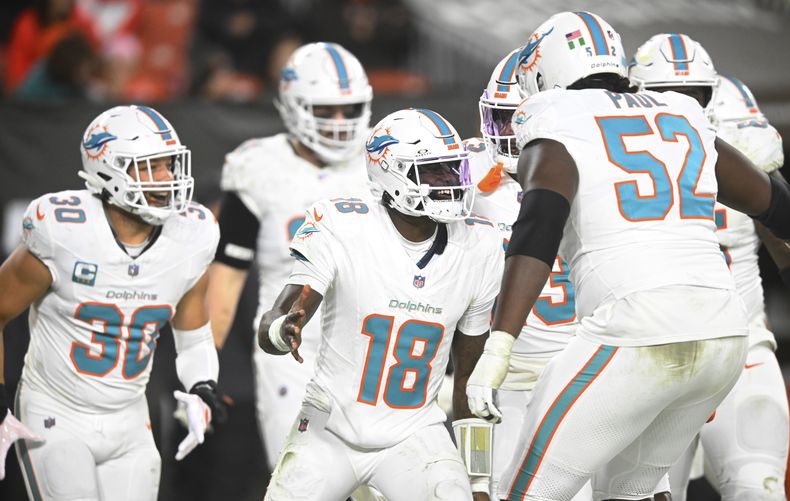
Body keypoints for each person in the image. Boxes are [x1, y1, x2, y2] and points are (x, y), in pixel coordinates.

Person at [465, 11, 790, 501]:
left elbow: (539, 226)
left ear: (543, 72)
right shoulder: (680, 112)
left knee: (529, 492)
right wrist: (770, 167)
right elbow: (773, 205)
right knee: (631, 493)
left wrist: (500, 342)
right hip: (724, 335)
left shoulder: (552, 115)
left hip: (634, 329)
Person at [257, 108, 504, 500]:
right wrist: (280, 329)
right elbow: (276, 319)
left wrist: (478, 481)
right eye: (434, 172)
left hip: (414, 432)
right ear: (391, 173)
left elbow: (469, 382)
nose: (449, 183)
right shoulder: (341, 225)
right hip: (330, 428)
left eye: (453, 170)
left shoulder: (481, 246)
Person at [0, 105, 223, 500]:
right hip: (57, 411)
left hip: (131, 417)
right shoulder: (64, 231)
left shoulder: (192, 235)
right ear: (108, 170)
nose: (168, 178)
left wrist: (201, 387)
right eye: (150, 167)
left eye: (169, 165)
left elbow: (193, 334)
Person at [631, 34, 790, 500]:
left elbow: (776, 223)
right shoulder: (608, 140)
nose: (682, 106)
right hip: (650, 352)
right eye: (667, 95)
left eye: (696, 95)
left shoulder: (734, 116)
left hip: (742, 342)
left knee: (757, 489)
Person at [206, 41, 373, 472]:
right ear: (293, 106)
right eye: (324, 110)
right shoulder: (260, 166)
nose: (339, 124)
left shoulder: (382, 160)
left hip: (373, 349)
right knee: (299, 481)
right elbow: (227, 278)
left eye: (349, 109)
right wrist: (201, 369)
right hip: (290, 355)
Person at [469, 47, 587, 500]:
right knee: (491, 490)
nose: (507, 136)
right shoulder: (467, 169)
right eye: (499, 121)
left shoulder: (595, 167)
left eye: (518, 121)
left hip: (586, 370)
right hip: (503, 376)